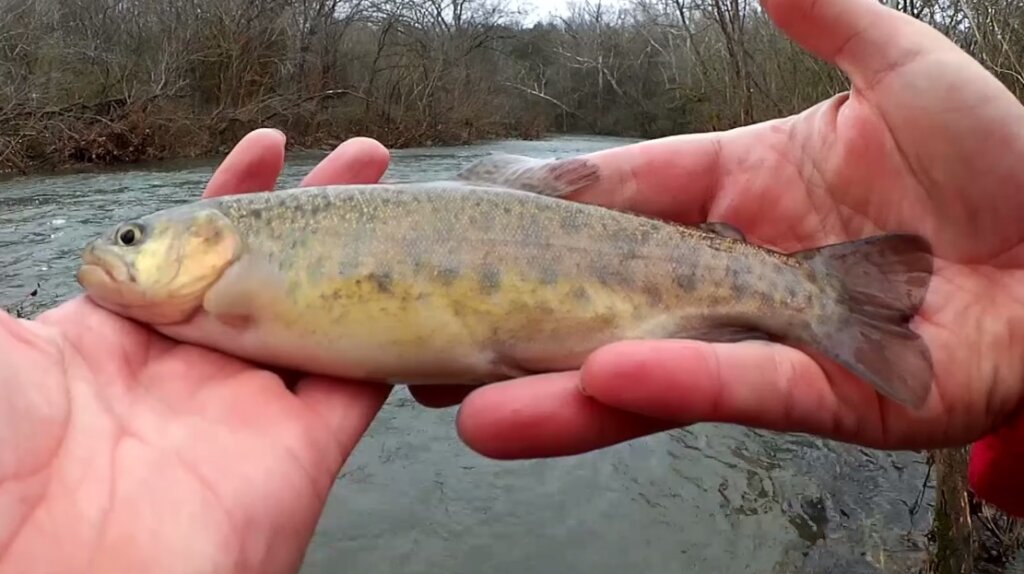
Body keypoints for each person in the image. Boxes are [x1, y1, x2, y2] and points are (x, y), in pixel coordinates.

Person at [2, 0, 1023, 570]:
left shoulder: (239, 265)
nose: (116, 258)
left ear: (207, 238)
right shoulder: (235, 282)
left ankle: (810, 297)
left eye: (135, 237)